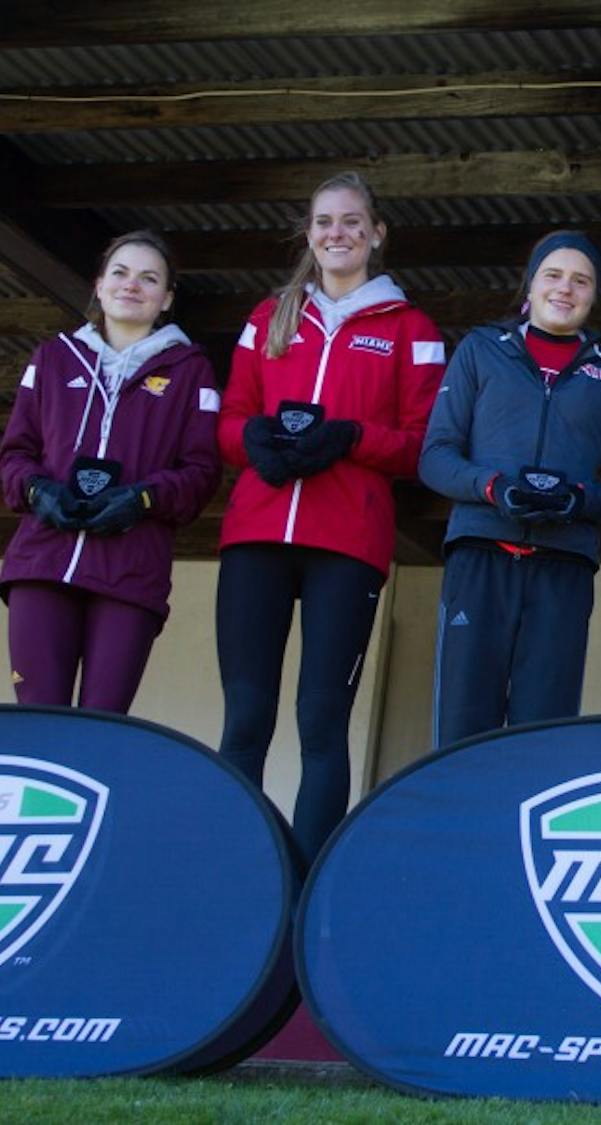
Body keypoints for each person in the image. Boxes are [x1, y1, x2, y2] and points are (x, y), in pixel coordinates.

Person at [216, 171, 445, 861]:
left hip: (347, 541)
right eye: (323, 222)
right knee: (246, 717)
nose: (336, 233)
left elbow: (424, 442)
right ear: (308, 235)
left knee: (321, 719)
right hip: (257, 532)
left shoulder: (412, 328)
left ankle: (306, 887)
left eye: (351, 222)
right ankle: (239, 872)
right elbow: (228, 422)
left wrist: (349, 437)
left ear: (377, 234)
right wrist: (252, 439)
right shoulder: (270, 317)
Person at [420, 231, 601, 745]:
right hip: (480, 557)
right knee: (460, 732)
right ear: (531, 283)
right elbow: (435, 457)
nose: (565, 289)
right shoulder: (480, 350)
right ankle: (459, 828)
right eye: (554, 275)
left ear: (595, 294)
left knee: (542, 737)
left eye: (581, 280)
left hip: (563, 570)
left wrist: (579, 500)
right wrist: (493, 487)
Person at [0, 230, 221, 713]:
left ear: (166, 298)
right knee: (39, 717)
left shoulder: (189, 371)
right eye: (120, 273)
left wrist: (143, 498)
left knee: (103, 725)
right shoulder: (54, 358)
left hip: (130, 571)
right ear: (99, 285)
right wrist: (39, 492)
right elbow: (14, 454)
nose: (132, 286)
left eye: (149, 278)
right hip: (42, 565)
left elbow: (202, 472)